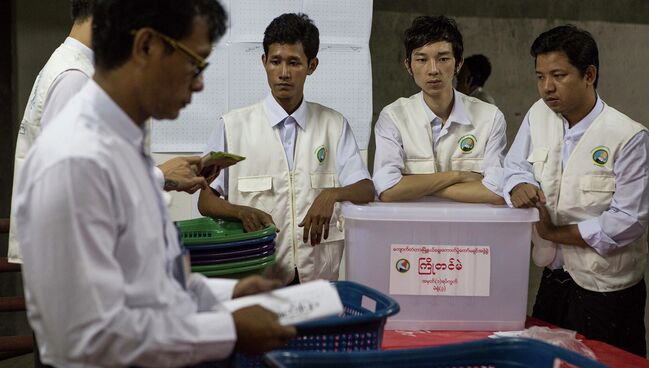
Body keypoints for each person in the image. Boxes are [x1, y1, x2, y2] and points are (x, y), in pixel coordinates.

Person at [13, 1, 296, 366]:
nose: (199, 82)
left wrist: (232, 293)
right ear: (146, 46)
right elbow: (86, 338)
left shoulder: (126, 148)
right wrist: (228, 329)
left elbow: (156, 282)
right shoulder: (76, 160)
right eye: (194, 62)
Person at [7, 0, 211, 265]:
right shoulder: (76, 79)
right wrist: (160, 176)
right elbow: (75, 190)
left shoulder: (80, 69)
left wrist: (165, 175)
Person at [503, 25, 649, 357]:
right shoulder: (539, 115)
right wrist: (518, 184)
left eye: (558, 75)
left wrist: (555, 232)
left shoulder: (628, 137)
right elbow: (512, 166)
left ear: (589, 74)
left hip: (608, 290)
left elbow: (628, 221)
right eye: (540, 77)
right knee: (544, 360)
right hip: (554, 279)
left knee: (608, 363)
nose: (546, 88)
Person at [198, 13, 374, 285]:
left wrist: (331, 195)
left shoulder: (334, 125)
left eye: (294, 63)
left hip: (318, 275)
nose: (283, 73)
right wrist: (240, 212)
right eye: (275, 61)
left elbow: (365, 189)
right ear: (263, 62)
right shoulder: (232, 127)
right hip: (256, 274)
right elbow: (205, 200)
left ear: (312, 65)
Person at [373, 16, 506, 204]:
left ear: (458, 63)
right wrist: (457, 176)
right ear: (408, 66)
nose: (433, 69)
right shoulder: (393, 117)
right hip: (412, 229)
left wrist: (417, 187)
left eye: (443, 58)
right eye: (421, 59)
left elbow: (497, 191)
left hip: (468, 229)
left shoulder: (490, 117)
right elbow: (387, 189)